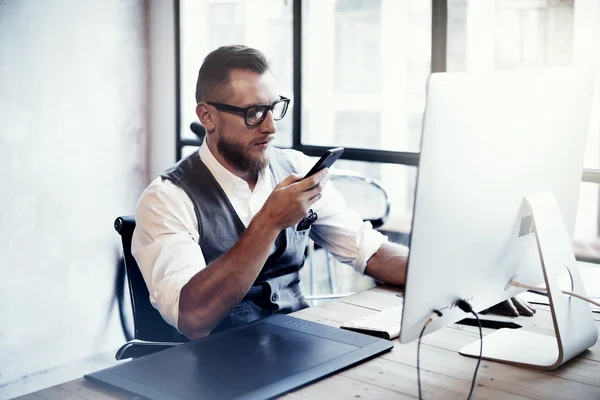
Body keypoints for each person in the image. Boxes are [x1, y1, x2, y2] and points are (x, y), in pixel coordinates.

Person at [132, 45, 534, 340]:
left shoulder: (294, 169)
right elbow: (194, 317)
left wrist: (466, 284)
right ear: (207, 116)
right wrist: (270, 223)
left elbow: (372, 252)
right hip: (215, 365)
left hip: (298, 341)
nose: (271, 127)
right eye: (254, 113)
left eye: (275, 108)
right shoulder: (166, 199)